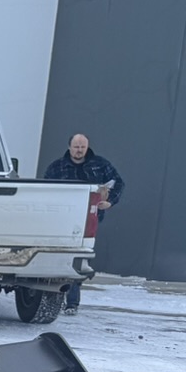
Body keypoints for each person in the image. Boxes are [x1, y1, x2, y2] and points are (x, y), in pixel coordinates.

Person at [44, 133, 123, 312]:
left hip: (88, 220)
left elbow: (118, 183)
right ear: (69, 147)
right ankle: (53, 297)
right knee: (60, 258)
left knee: (78, 259)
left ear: (87, 147)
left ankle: (72, 303)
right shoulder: (56, 168)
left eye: (82, 147)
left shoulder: (100, 165)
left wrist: (110, 202)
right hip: (61, 220)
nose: (79, 150)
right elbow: (47, 191)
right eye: (76, 146)